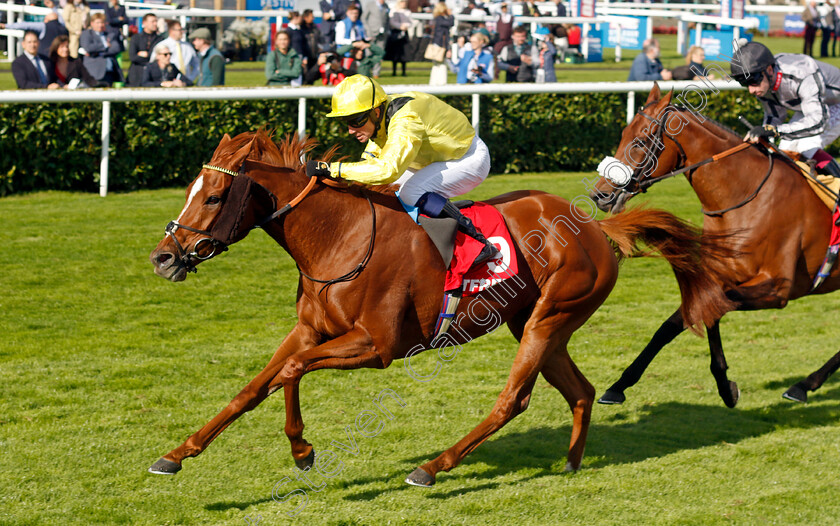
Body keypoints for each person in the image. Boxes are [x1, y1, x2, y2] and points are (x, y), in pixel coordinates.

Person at [306, 75, 497, 265]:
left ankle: (477, 242)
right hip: (434, 160)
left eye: (356, 120)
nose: (350, 129)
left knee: (410, 192)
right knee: (375, 187)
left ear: (376, 112)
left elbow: (388, 170)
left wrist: (333, 169)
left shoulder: (406, 119)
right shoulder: (382, 115)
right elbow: (371, 163)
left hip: (468, 158)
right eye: (346, 121)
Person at [732, 41, 840, 184]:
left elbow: (818, 122)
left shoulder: (800, 74)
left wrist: (775, 131)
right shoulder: (765, 80)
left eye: (754, 81)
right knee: (784, 148)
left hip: (832, 105)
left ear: (769, 70)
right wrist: (763, 137)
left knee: (806, 146)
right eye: (745, 84)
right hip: (814, 106)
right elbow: (775, 116)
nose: (751, 90)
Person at [80, 13, 124, 86]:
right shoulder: (87, 34)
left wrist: (98, 53)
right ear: (92, 23)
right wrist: (105, 45)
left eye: (102, 22)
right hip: (93, 71)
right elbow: (88, 47)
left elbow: (116, 48)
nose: (100, 25)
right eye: (98, 23)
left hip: (109, 71)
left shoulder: (109, 35)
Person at [0, 12, 68, 57]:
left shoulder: (44, 26)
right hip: (61, 58)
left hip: (45, 57)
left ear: (47, 19)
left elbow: (26, 25)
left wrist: (6, 26)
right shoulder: (64, 28)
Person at [128, 13, 161, 86]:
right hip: (136, 75)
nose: (155, 24)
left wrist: (146, 55)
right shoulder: (136, 38)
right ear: (144, 23)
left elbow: (156, 57)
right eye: (152, 21)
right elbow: (133, 57)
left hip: (153, 76)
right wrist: (150, 56)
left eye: (156, 21)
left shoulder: (160, 39)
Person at [361, 0, 389, 76]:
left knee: (379, 53)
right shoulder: (370, 5)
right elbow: (364, 18)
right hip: (371, 32)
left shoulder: (385, 6)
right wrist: (368, 30)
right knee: (369, 53)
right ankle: (366, 71)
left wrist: (387, 30)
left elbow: (387, 19)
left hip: (382, 34)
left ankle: (376, 73)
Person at [428, 2, 453, 85]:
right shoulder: (440, 18)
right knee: (441, 64)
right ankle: (441, 82)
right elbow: (450, 23)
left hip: (437, 43)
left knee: (437, 64)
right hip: (440, 44)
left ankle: (434, 82)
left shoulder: (437, 18)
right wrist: (451, 15)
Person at [385, 0, 411, 76]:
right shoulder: (394, 11)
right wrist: (400, 26)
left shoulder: (407, 11)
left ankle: (403, 71)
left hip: (404, 33)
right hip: (396, 34)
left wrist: (405, 26)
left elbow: (410, 21)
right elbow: (392, 22)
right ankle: (394, 71)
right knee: (395, 54)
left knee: (404, 54)